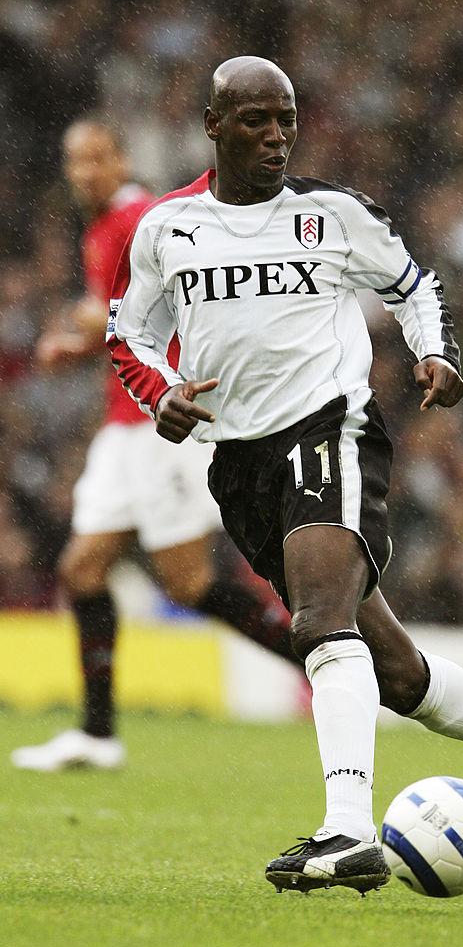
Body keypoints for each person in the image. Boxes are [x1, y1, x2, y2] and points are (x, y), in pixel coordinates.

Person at [108, 56, 463, 894]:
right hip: (240, 460)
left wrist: (435, 352)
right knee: (397, 675)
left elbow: (413, 286)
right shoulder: (166, 228)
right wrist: (162, 395)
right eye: (256, 121)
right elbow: (128, 334)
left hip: (330, 428)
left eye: (286, 120)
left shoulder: (333, 214)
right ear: (213, 127)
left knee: (317, 619)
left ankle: (346, 834)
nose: (276, 137)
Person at [12, 118, 297, 773]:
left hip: (160, 424)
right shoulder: (100, 227)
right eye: (75, 160)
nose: (85, 172)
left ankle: (326, 665)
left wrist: (89, 324)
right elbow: (125, 325)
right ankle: (97, 734)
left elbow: (155, 304)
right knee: (82, 571)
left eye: (97, 158)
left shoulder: (139, 218)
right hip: (123, 429)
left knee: (189, 583)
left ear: (122, 159)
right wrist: (79, 344)